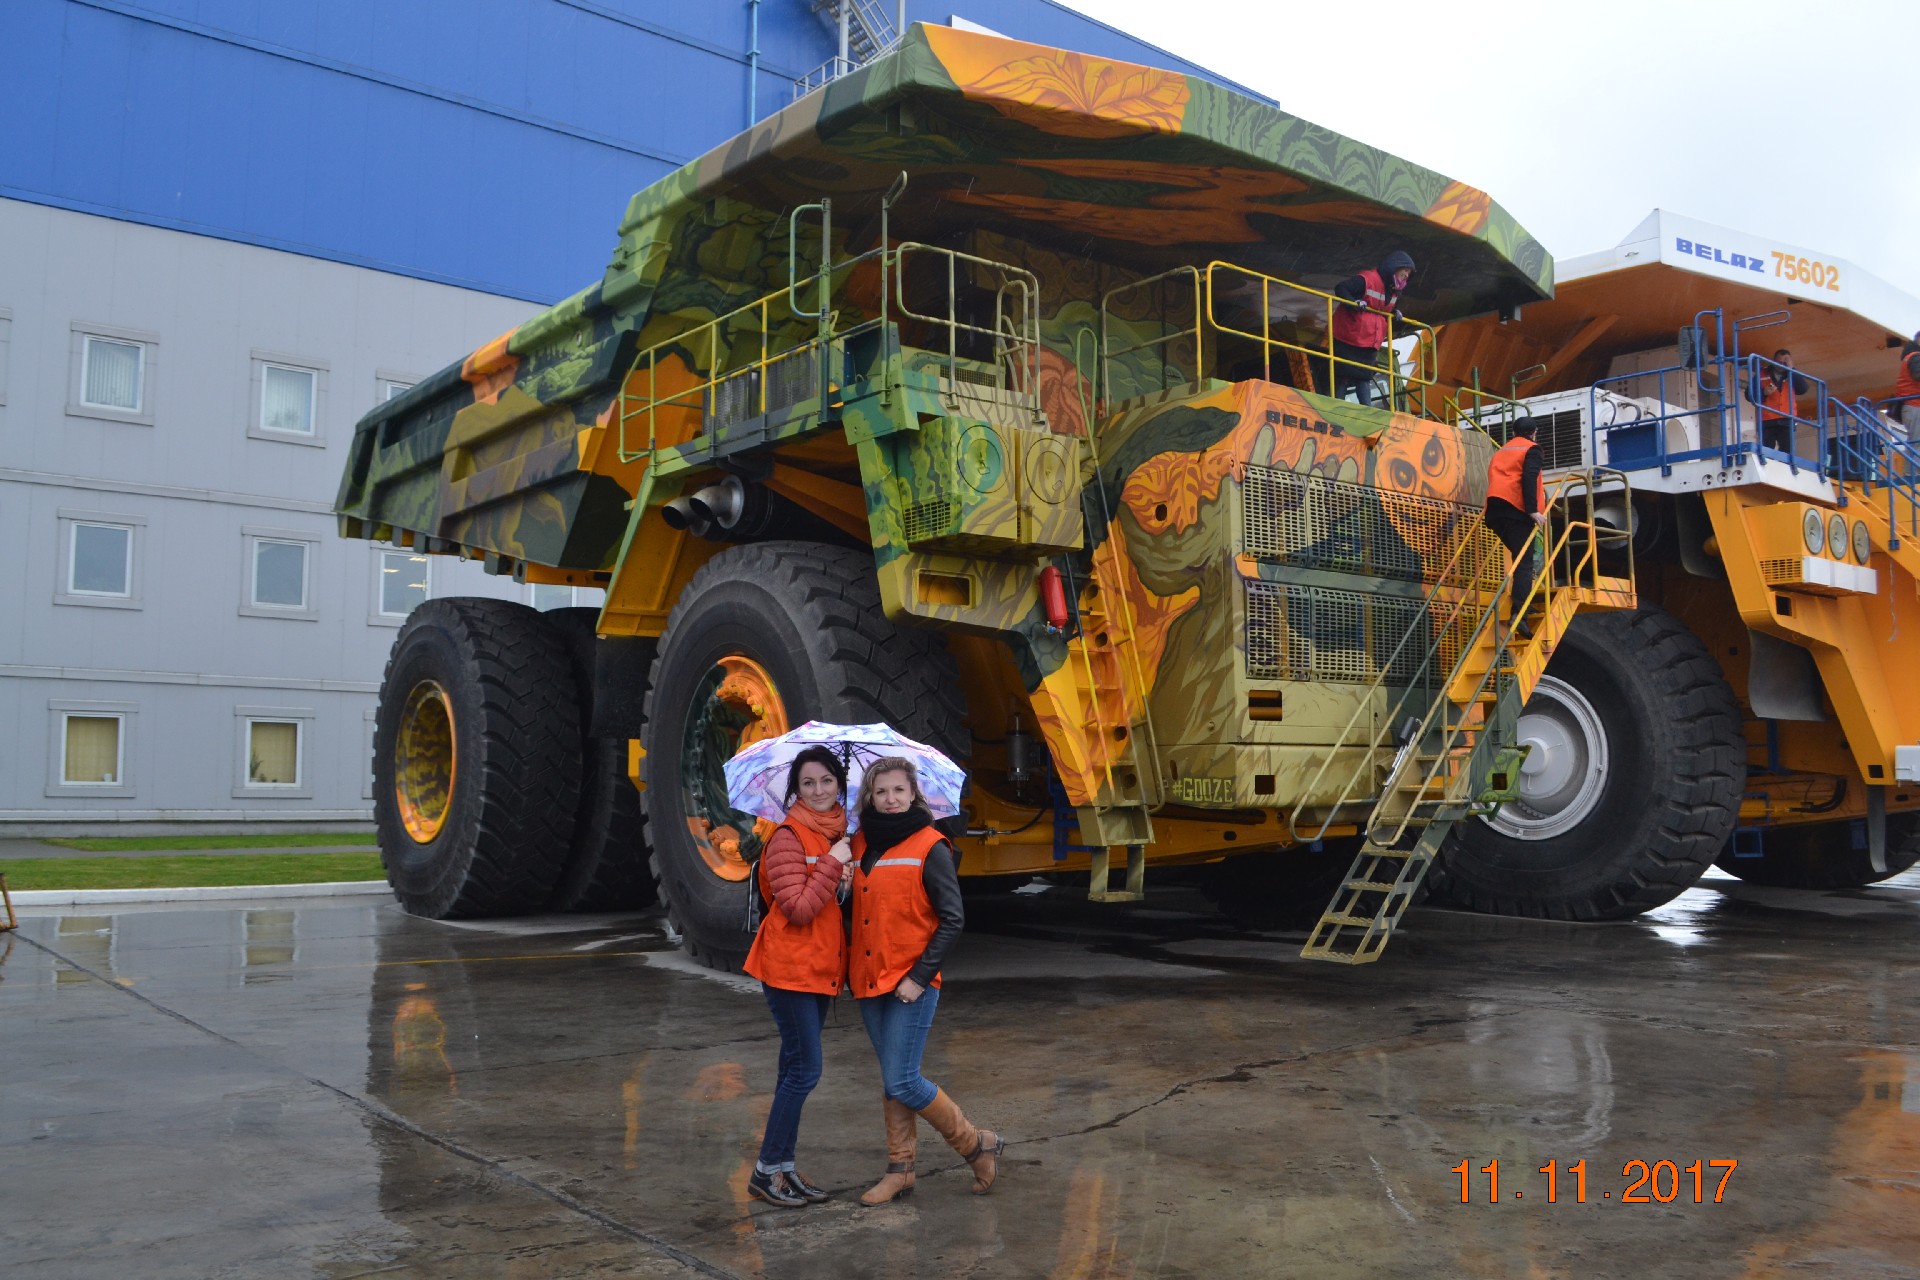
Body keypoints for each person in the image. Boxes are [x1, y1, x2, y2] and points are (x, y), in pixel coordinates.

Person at [848, 757, 1002, 1204]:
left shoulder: (931, 845)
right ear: (869, 798)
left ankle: (976, 1145)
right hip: (869, 980)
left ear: (914, 795)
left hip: (910, 983)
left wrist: (919, 976)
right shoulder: (858, 844)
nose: (890, 800)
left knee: (903, 1080)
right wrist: (840, 879)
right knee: (891, 1079)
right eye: (881, 792)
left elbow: (952, 919)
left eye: (898, 791)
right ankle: (901, 1171)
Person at [741, 745, 857, 1209]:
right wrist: (833, 864)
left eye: (827, 781)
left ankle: (784, 1168)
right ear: (795, 790)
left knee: (794, 1068)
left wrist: (841, 874)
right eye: (808, 783)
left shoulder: (836, 834)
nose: (819, 790)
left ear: (839, 784)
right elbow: (799, 908)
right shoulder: (787, 837)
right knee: (806, 1069)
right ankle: (767, 1170)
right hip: (788, 969)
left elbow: (829, 904)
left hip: (815, 969)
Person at [1484, 417, 1547, 632]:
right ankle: (1519, 615)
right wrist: (1533, 510)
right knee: (1524, 562)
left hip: (1494, 512)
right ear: (1534, 432)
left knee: (1520, 556)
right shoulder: (1532, 449)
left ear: (1514, 432)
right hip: (1516, 510)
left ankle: (1522, 605)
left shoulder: (1502, 451)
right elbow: (1529, 478)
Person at [1330, 250, 1414, 408]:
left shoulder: (1394, 291)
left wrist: (1394, 312)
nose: (1406, 276)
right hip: (1349, 337)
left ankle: (1366, 410)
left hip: (1369, 342)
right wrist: (1354, 302)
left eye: (1409, 273)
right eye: (1405, 271)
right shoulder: (1368, 279)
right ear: (1395, 267)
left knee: (1364, 376)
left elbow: (1382, 309)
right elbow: (1341, 288)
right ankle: (1337, 407)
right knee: (1343, 375)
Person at [1752, 348, 1811, 455]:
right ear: (1773, 361)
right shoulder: (1762, 374)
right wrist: (1763, 393)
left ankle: (1785, 468)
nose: (1781, 365)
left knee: (1787, 451)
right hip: (1766, 419)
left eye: (1784, 362)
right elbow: (1749, 395)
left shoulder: (1792, 374)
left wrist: (1791, 369)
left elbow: (1803, 389)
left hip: (1786, 418)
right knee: (1766, 451)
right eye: (1779, 362)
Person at [1894, 332, 1920, 439]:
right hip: (1915, 405)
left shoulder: (1911, 356)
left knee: (1916, 442)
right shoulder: (1916, 356)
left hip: (1912, 405)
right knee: (1917, 443)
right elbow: (1918, 375)